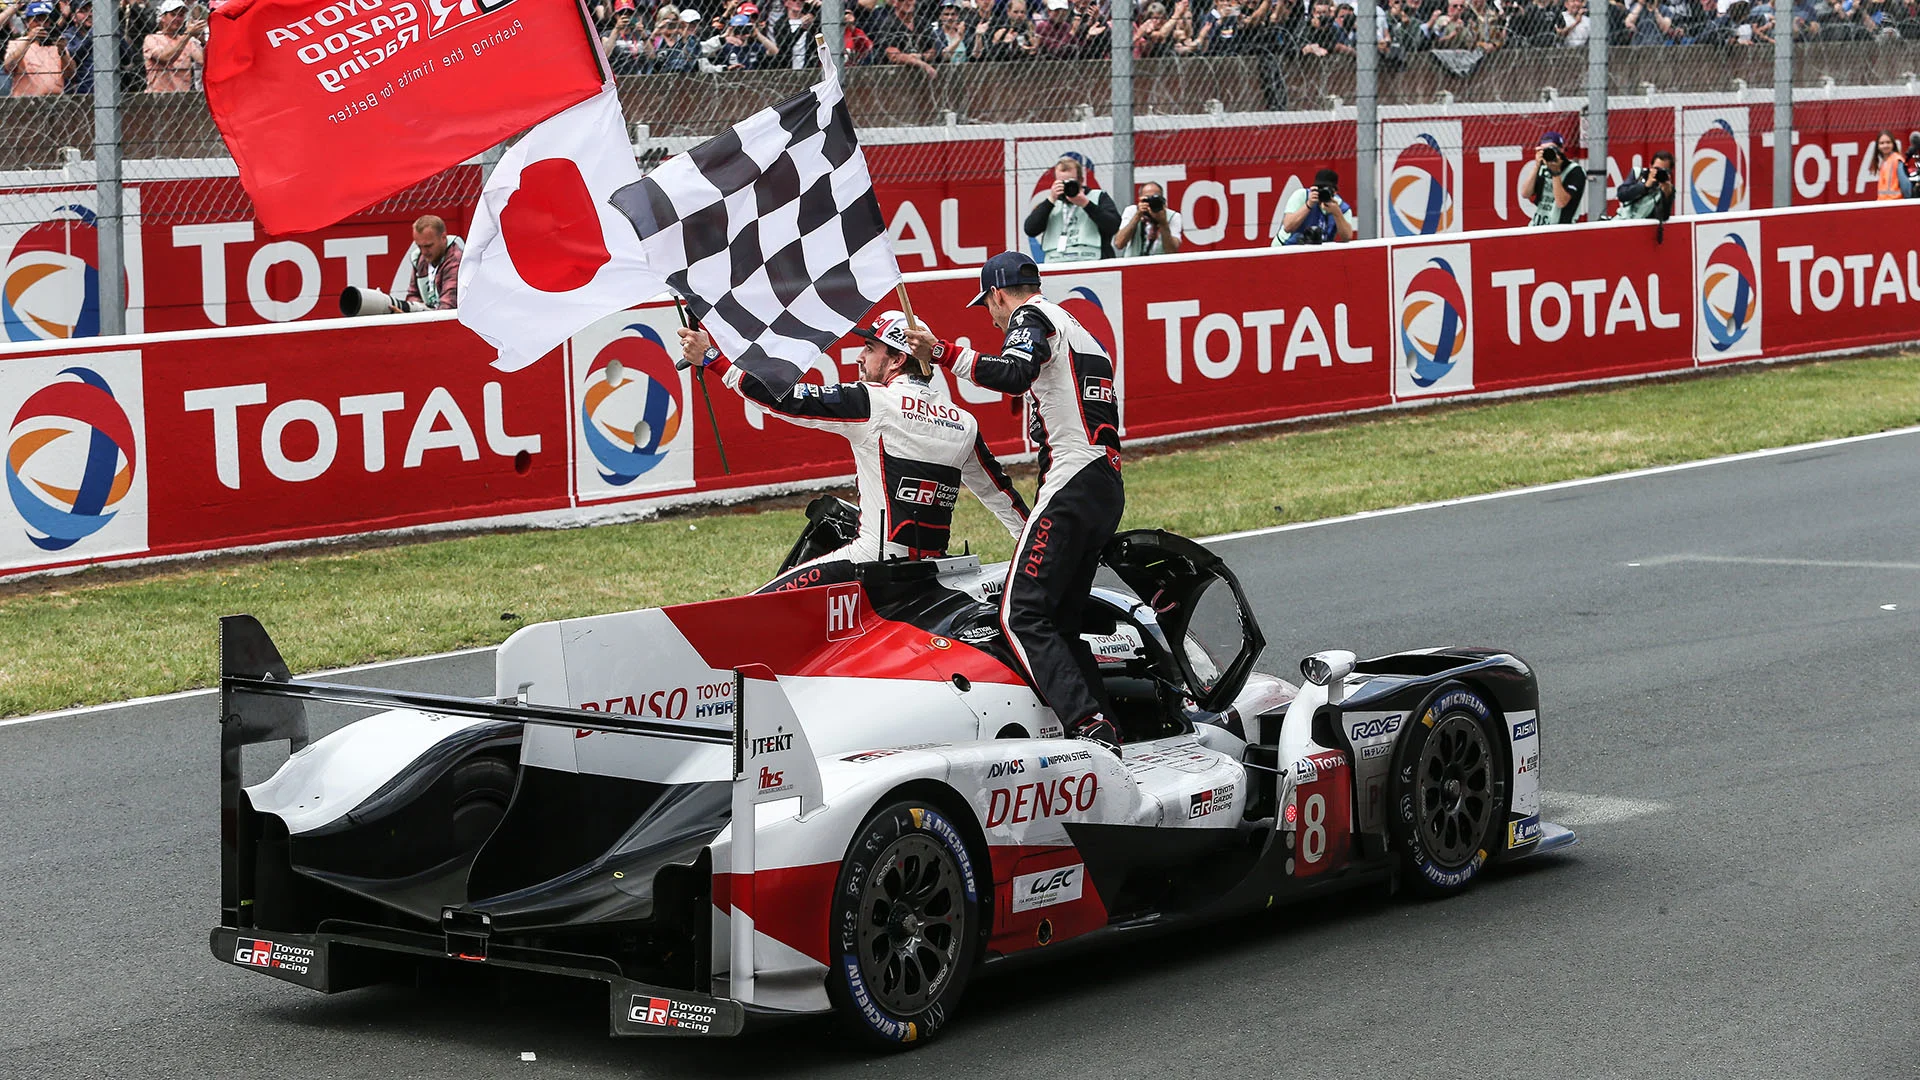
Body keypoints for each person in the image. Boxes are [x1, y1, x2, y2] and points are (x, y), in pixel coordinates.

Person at [904, 252, 1127, 750]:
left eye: (988, 305)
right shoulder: (1075, 323)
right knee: (1059, 620)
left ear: (1000, 294)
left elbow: (1012, 373)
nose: (991, 317)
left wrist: (942, 352)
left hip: (1075, 477)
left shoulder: (1033, 316)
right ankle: (1107, 727)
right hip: (1105, 481)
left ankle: (1088, 726)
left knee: (1019, 612)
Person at [678, 312, 1030, 592]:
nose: (860, 357)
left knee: (755, 609)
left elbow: (782, 399)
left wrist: (713, 359)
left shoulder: (871, 401)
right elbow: (1002, 497)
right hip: (937, 570)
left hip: (872, 564)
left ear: (895, 360)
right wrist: (1038, 559)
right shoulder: (964, 421)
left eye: (871, 348)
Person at [1023, 154, 1121, 263]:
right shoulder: (1051, 204)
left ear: (1081, 180)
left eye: (1070, 182)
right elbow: (1030, 229)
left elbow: (1113, 225)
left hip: (1092, 260)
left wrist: (1086, 204)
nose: (1066, 186)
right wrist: (1050, 200)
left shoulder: (1097, 197)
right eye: (1062, 182)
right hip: (1056, 261)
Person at [1272, 168, 1356, 246]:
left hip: (1314, 249)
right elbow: (1288, 227)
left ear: (1335, 192)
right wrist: (1308, 205)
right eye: (1320, 189)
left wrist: (1337, 213)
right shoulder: (1302, 196)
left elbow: (1347, 237)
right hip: (1286, 245)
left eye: (1328, 190)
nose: (1322, 193)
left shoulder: (1341, 208)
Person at [1517, 130, 1585, 226]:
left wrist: (1555, 173)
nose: (1548, 153)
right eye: (1544, 150)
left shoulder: (1575, 171)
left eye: (1551, 149)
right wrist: (1536, 166)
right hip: (1537, 225)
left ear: (1561, 149)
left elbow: (1561, 202)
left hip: (1560, 228)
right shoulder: (1542, 168)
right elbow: (1525, 193)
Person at [5, 1, 71, 96]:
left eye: (46, 20)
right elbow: (8, 67)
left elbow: (71, 73)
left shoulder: (56, 43)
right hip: (26, 102)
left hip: (56, 101)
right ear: (27, 23)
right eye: (37, 20)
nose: (42, 24)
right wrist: (29, 40)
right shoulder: (18, 43)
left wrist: (62, 52)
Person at [402, 215, 463, 311]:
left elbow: (448, 306)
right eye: (419, 246)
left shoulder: (455, 259)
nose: (423, 252)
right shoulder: (419, 258)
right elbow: (412, 295)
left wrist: (419, 313)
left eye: (428, 246)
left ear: (443, 238)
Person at [143, 0, 204, 92]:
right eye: (173, 14)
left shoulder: (188, 41)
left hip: (183, 98)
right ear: (163, 17)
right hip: (158, 98)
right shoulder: (152, 39)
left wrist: (203, 40)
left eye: (181, 15)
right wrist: (187, 35)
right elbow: (166, 59)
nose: (177, 18)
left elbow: (204, 61)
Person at [1113, 181, 1183, 256]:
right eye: (1147, 199)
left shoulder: (1173, 216)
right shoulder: (1132, 211)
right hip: (1134, 264)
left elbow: (1172, 251)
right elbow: (1119, 243)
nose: (1151, 203)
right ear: (1140, 200)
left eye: (1155, 199)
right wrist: (1137, 216)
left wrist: (1163, 223)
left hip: (1160, 264)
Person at [1612, 150, 1676, 220]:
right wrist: (1644, 186)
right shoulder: (1638, 173)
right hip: (1624, 220)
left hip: (1643, 225)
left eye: (1663, 170)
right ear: (1650, 166)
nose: (1658, 172)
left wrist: (1666, 196)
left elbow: (1663, 217)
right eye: (1656, 169)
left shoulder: (1668, 189)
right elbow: (1621, 195)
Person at [1873, 130, 1909, 200]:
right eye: (1882, 143)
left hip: (1895, 202)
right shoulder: (1884, 162)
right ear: (1878, 146)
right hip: (1884, 203)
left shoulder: (1896, 160)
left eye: (1888, 142)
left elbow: (1905, 185)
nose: (1885, 145)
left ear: (1893, 144)